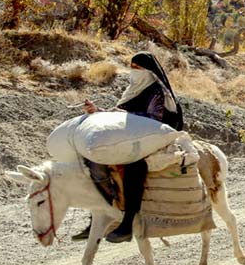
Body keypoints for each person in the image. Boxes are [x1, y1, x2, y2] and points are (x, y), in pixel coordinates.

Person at [73, 51, 184, 243]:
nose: (133, 71)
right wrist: (97, 111)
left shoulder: (156, 91)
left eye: (137, 68)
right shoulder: (133, 89)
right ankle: (100, 217)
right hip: (129, 138)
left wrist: (127, 116)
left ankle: (127, 223)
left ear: (148, 71)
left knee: (135, 166)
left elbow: (154, 119)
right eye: (131, 67)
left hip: (153, 138)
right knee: (93, 160)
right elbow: (119, 114)